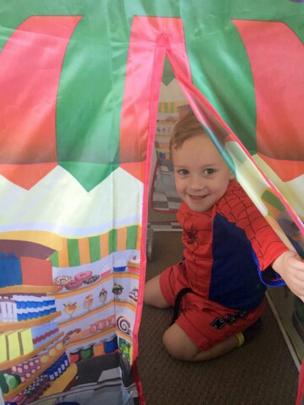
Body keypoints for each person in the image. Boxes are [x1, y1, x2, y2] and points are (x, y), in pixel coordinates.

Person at [144, 110, 304, 362]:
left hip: (227, 300)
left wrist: (282, 262)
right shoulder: (199, 195)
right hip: (190, 275)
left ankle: (246, 330)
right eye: (183, 172)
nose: (195, 185)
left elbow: (260, 230)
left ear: (230, 170)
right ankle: (191, 302)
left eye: (208, 171)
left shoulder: (235, 200)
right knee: (144, 294)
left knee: (176, 345)